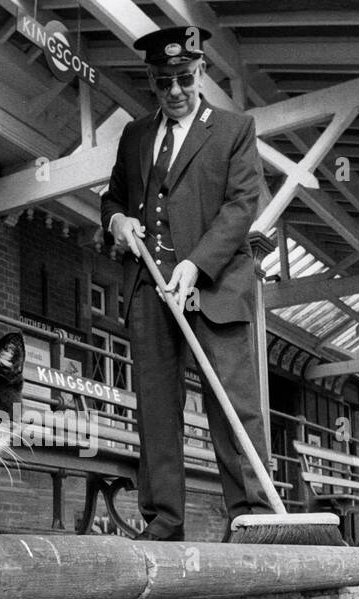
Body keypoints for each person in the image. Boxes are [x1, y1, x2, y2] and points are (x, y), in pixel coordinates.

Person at [100, 24, 270, 541]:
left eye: (184, 78)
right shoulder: (134, 135)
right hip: (149, 287)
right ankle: (164, 522)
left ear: (200, 72)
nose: (174, 91)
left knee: (232, 402)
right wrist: (116, 221)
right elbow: (114, 197)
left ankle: (253, 518)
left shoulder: (235, 129)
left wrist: (195, 264)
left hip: (212, 284)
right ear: (151, 80)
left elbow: (243, 206)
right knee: (155, 404)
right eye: (162, 82)